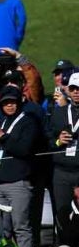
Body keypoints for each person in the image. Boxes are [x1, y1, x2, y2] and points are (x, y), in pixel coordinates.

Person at [0, 86, 38, 247]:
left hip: (18, 183)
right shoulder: (1, 120)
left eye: (12, 102)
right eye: (5, 102)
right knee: (0, 230)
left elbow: (24, 149)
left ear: (19, 102)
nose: (9, 106)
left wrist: (3, 137)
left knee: (21, 227)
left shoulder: (28, 121)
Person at [48, 74, 79, 217]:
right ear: (68, 90)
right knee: (62, 213)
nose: (76, 92)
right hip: (62, 172)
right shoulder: (58, 112)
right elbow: (47, 140)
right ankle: (65, 240)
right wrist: (58, 141)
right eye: (73, 88)